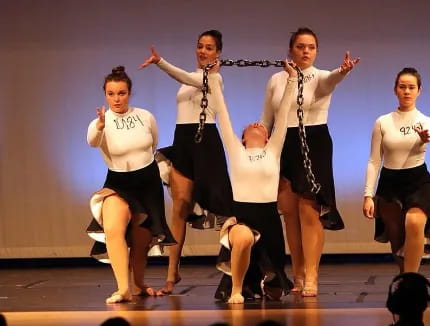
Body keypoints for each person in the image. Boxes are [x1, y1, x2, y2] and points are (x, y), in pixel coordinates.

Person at [260, 27, 360, 296]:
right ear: (290, 49)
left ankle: (313, 275)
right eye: (301, 46)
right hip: (282, 142)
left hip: (313, 142)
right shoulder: (276, 79)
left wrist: (344, 71)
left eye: (311, 47)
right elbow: (266, 118)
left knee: (309, 211)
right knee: (289, 212)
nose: (306, 51)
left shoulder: (321, 77)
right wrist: (260, 147)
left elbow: (331, 81)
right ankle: (299, 273)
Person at [139, 30, 233, 295]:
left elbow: (186, 77)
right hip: (183, 142)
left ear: (218, 53)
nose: (203, 51)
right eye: (200, 46)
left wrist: (160, 62)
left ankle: (230, 268)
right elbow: (187, 80)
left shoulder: (215, 78)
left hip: (206, 145)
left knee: (221, 208)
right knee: (179, 206)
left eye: (209, 48)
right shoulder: (193, 78)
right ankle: (172, 273)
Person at [86, 66, 175, 303]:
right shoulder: (100, 122)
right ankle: (122, 288)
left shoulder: (145, 116)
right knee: (114, 228)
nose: (116, 98)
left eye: (121, 93)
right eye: (111, 93)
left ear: (129, 93)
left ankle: (137, 284)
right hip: (118, 183)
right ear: (105, 94)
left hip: (147, 183)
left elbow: (153, 143)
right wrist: (101, 125)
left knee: (140, 241)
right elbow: (92, 142)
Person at [211, 60, 297, 303]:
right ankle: (236, 290)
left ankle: (260, 282)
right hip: (242, 216)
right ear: (243, 137)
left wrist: (291, 80)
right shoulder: (236, 151)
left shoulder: (273, 150)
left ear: (268, 136)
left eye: (261, 126)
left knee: (274, 292)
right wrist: (215, 80)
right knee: (242, 237)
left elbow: (283, 115)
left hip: (269, 219)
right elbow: (223, 114)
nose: (257, 124)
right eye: (251, 126)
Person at [362, 67, 430, 273]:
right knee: (397, 237)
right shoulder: (382, 121)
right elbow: (374, 160)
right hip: (389, 183)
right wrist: (367, 195)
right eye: (402, 87)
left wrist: (425, 136)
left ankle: (411, 279)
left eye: (411, 87)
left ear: (419, 91)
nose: (407, 91)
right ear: (395, 90)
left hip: (418, 181)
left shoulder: (426, 121)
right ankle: (404, 276)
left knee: (414, 221)